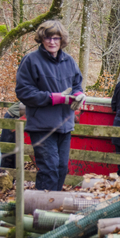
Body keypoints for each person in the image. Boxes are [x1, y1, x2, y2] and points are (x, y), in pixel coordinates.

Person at [15, 20, 86, 191]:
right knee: (49, 169)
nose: (52, 42)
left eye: (56, 38)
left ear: (62, 40)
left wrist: (78, 94)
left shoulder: (69, 61)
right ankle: (41, 212)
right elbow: (24, 92)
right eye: (48, 38)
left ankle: (51, 208)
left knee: (62, 169)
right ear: (41, 39)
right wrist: (53, 98)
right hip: (42, 126)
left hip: (65, 125)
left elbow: (77, 84)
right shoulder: (31, 60)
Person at [0, 102, 25, 168]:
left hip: (24, 117)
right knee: (8, 153)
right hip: (14, 117)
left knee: (17, 154)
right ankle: (6, 176)